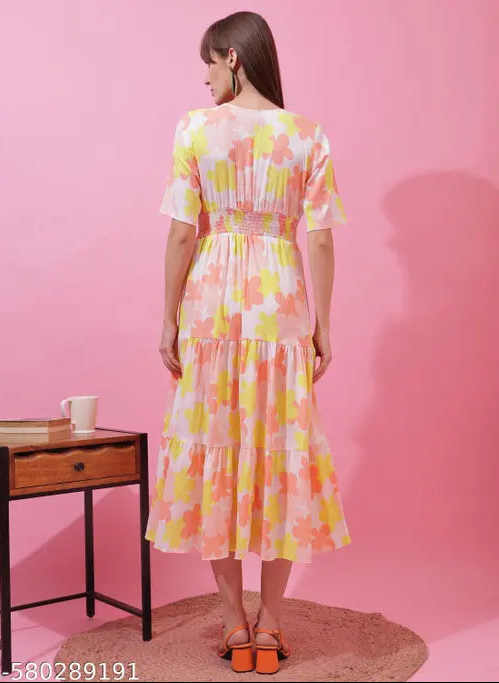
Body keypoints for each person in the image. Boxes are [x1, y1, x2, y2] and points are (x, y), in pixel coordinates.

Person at [145, 10, 351, 674]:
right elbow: (321, 239)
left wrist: (169, 317)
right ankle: (272, 625)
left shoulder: (195, 129)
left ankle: (234, 623)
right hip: (281, 306)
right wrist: (323, 324)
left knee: (216, 448)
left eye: (209, 64)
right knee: (282, 451)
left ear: (233, 57)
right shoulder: (307, 135)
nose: (205, 79)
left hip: (212, 306)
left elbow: (183, 232)